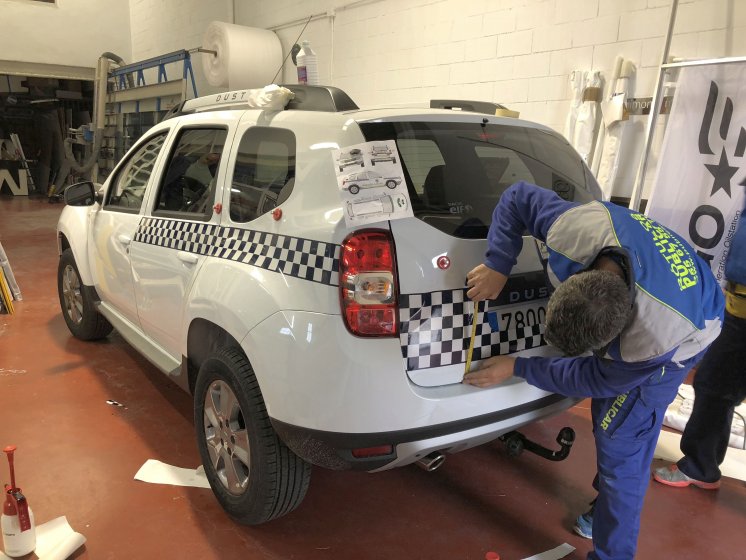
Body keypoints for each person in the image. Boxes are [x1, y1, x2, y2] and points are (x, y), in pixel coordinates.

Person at [463, 181, 724, 560]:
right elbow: (517, 195)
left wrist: (519, 367)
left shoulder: (651, 339)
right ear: (576, 278)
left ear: (618, 337)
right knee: (620, 425)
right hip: (660, 282)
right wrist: (498, 262)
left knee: (622, 443)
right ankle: (603, 512)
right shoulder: (572, 229)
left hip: (693, 327)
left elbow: (593, 378)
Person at [653, 209, 746, 490]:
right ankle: (701, 466)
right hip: (738, 304)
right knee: (715, 385)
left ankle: (700, 465)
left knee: (715, 385)